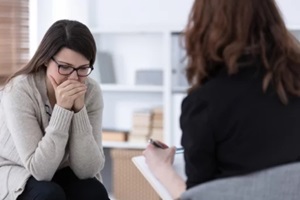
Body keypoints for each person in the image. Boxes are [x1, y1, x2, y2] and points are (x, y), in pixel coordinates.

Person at [143, 0, 300, 199]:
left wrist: (161, 168)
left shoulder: (205, 104)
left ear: (204, 27)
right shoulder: (293, 87)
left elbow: (199, 196)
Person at [0, 19, 110, 200]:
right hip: (16, 169)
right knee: (49, 194)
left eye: (82, 68)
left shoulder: (91, 91)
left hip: (60, 168)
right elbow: (40, 171)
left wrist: (79, 110)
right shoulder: (20, 90)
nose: (73, 78)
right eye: (64, 67)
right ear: (45, 60)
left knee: (93, 191)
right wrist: (63, 110)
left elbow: (88, 170)